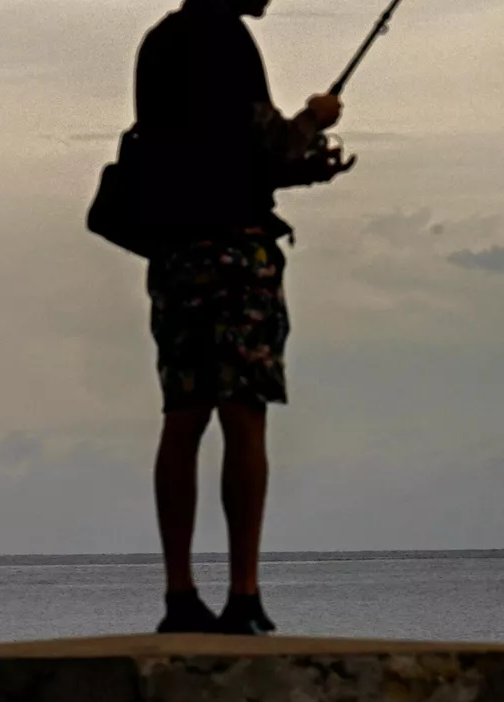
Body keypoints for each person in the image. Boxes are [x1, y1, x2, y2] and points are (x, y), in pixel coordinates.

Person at [130, 0, 351, 635]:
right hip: (234, 253)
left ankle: (179, 596)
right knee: (243, 414)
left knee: (183, 417)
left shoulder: (160, 43)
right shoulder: (227, 37)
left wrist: (301, 168)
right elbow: (264, 145)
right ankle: (244, 596)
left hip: (174, 256)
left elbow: (205, 152)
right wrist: (316, 118)